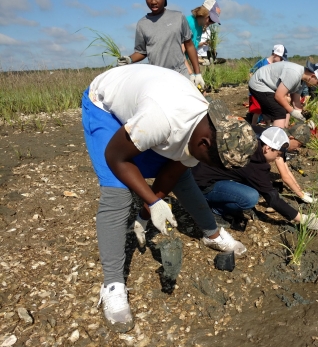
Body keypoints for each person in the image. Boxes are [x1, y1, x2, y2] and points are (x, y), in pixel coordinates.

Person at [82, 64, 257, 333]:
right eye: (217, 163)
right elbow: (115, 157)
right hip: (105, 104)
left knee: (183, 178)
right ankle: (113, 285)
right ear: (204, 145)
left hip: (147, 104)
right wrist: (152, 201)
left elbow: (172, 176)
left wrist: (144, 214)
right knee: (117, 193)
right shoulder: (159, 120)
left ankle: (211, 234)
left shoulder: (206, 127)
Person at [192, 126, 318, 230]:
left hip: (197, 167)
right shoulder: (254, 166)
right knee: (251, 197)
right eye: (277, 154)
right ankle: (214, 209)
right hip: (202, 185)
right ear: (267, 148)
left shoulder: (254, 137)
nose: (276, 158)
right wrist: (303, 219)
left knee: (254, 185)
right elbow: (273, 199)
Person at [116, 0, 205, 88]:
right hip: (157, 77)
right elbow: (141, 52)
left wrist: (197, 73)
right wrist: (129, 59)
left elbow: (189, 45)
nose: (153, 2)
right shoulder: (142, 24)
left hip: (180, 74)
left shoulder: (178, 17)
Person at [248, 60, 318, 128]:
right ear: (313, 76)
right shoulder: (295, 74)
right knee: (279, 112)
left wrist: (305, 119)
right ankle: (275, 142)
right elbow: (279, 96)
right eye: (317, 82)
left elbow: (296, 101)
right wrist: (292, 112)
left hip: (269, 86)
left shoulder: (303, 80)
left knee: (279, 109)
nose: (316, 85)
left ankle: (268, 133)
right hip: (259, 83)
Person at [252, 124, 317, 203]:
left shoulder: (282, 136)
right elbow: (285, 176)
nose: (297, 148)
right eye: (299, 144)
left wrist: (300, 191)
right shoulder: (279, 142)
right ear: (291, 138)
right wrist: (302, 196)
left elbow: (287, 171)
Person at [247, 44, 288, 126]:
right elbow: (251, 73)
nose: (281, 61)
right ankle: (253, 125)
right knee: (258, 109)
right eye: (281, 58)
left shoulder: (277, 66)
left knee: (268, 109)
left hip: (269, 91)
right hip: (258, 90)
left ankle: (268, 124)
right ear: (275, 55)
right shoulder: (262, 62)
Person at [184, 2, 220, 75]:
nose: (210, 23)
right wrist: (191, 74)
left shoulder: (200, 28)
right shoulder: (188, 24)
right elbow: (179, 55)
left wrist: (201, 61)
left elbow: (191, 50)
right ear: (202, 13)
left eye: (213, 22)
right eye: (210, 20)